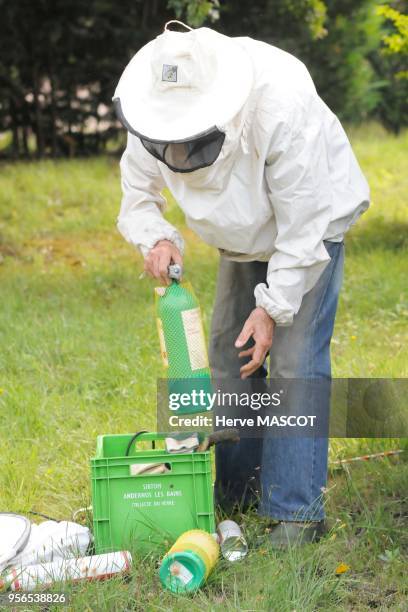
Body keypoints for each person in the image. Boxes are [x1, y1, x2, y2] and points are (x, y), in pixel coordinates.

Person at [114, 21, 369, 547]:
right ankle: (238, 491)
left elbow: (302, 224)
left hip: (310, 231)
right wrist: (157, 239)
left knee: (295, 364)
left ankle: (297, 512)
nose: (179, 149)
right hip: (242, 237)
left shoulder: (278, 106)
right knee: (231, 356)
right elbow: (138, 191)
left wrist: (273, 307)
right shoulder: (156, 113)